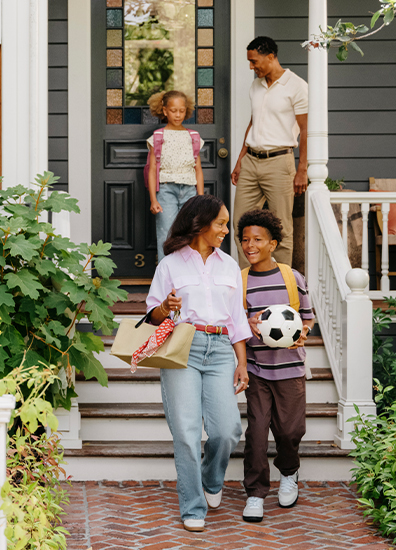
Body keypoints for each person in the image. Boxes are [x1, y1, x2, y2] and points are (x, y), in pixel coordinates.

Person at [141, 194, 252, 533]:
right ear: (201, 224)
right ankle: (192, 505)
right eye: (220, 223)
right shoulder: (170, 265)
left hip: (220, 348)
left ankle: (210, 479)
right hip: (182, 346)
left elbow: (237, 319)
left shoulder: (229, 266)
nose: (225, 230)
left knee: (227, 429)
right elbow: (151, 314)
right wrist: (166, 307)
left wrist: (241, 363)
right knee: (187, 433)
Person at [235, 208, 317, 521]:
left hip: (290, 370)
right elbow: (234, 323)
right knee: (256, 434)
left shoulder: (292, 278)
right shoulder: (240, 282)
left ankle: (289, 472)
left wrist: (302, 334)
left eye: (257, 239)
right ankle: (255, 493)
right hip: (257, 371)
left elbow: (307, 318)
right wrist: (248, 323)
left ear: (273, 244)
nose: (249, 245)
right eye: (244, 239)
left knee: (290, 431)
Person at [230, 36, 309, 270]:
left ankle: (281, 283)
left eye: (254, 61)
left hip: (279, 162)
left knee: (281, 227)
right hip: (251, 162)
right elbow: (252, 123)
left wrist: (302, 168)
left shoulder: (297, 86)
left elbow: (306, 130)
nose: (251, 67)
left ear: (271, 56)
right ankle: (249, 281)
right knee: (239, 226)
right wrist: (240, 160)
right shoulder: (256, 86)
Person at [144, 90, 206, 262]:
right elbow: (152, 169)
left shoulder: (193, 137)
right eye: (173, 110)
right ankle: (166, 278)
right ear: (165, 111)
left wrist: (200, 198)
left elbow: (198, 169)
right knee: (166, 234)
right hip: (166, 191)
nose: (178, 115)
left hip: (189, 192)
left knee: (190, 233)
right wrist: (153, 200)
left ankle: (189, 273)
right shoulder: (157, 137)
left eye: (181, 111)